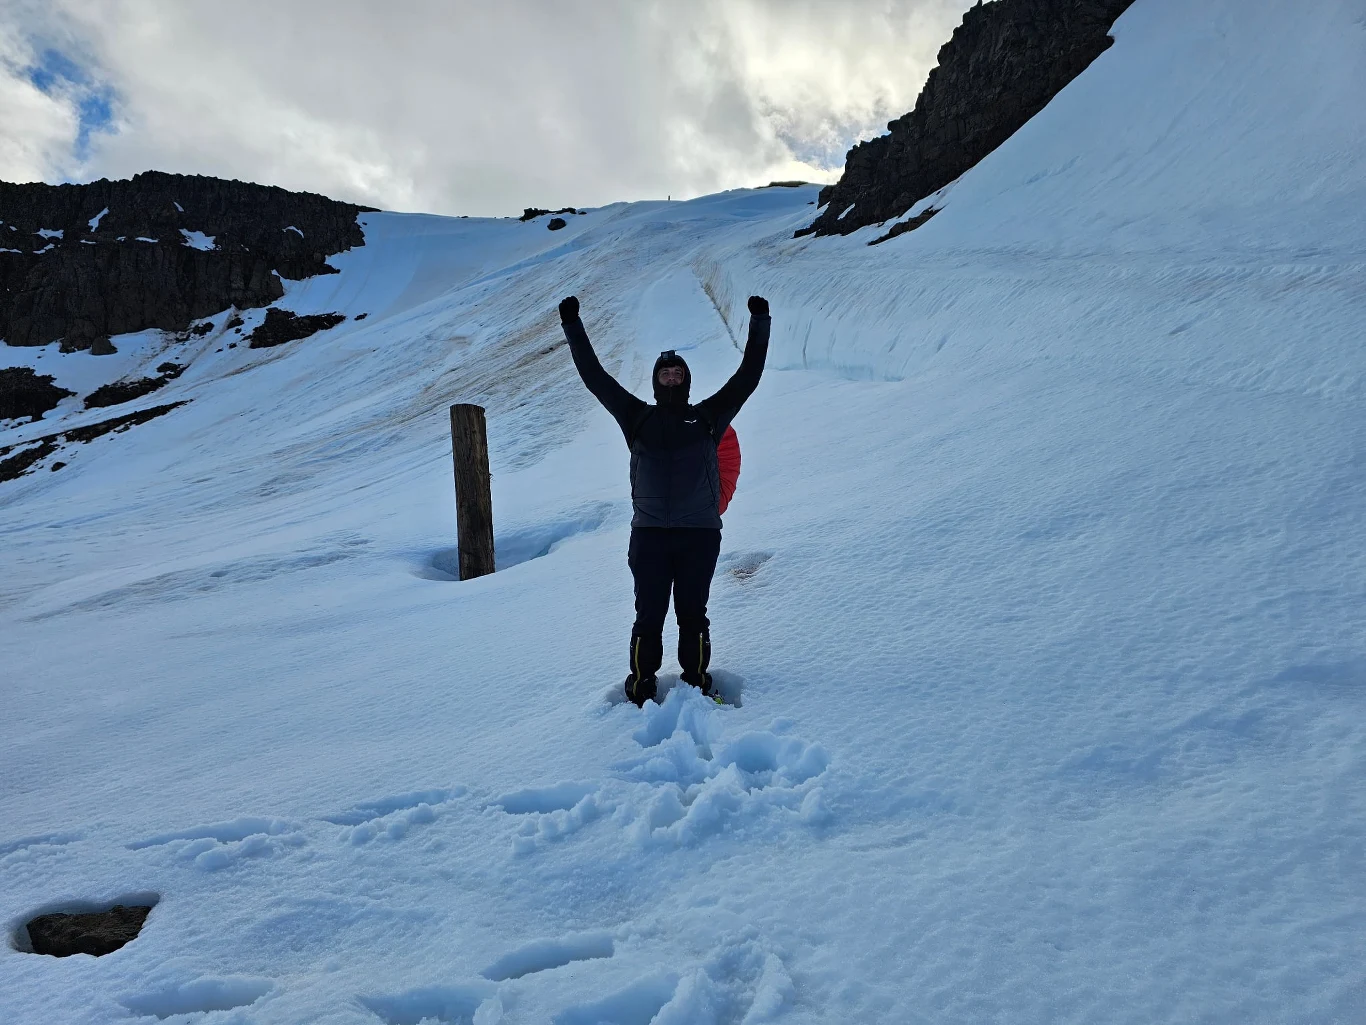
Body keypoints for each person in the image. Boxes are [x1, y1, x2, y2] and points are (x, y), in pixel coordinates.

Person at [559, 293, 771, 706]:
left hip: (699, 535)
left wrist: (759, 321)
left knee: (693, 616)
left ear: (686, 378)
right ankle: (640, 687)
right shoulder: (636, 417)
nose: (671, 377)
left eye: (677, 372)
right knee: (648, 618)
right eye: (664, 373)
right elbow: (595, 376)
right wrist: (572, 325)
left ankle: (697, 683)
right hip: (650, 536)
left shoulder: (709, 417)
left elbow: (749, 375)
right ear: (656, 380)